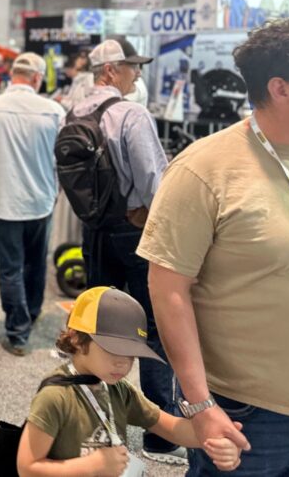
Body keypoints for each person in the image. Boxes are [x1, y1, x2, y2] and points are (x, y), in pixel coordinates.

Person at [141, 18, 289, 475]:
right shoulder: (205, 170)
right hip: (250, 415)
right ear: (281, 89)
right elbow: (168, 290)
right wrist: (200, 404)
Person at [67, 37, 179, 465]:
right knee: (154, 329)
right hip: (134, 232)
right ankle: (162, 437)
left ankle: (96, 425)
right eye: (131, 66)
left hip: (94, 231)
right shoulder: (131, 113)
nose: (138, 73)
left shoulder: (75, 112)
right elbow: (155, 180)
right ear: (110, 71)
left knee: (99, 326)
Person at [17, 287, 242, 476]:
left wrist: (213, 437)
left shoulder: (119, 390)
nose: (123, 364)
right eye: (113, 350)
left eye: (131, 355)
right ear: (76, 338)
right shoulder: (55, 397)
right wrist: (92, 465)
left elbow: (170, 428)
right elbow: (27, 467)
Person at [0, 53, 65, 356]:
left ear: (11, 75)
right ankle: (31, 313)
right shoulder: (54, 111)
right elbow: (64, 158)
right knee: (36, 262)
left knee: (10, 269)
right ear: (36, 78)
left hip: (5, 202)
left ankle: (18, 332)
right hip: (42, 200)